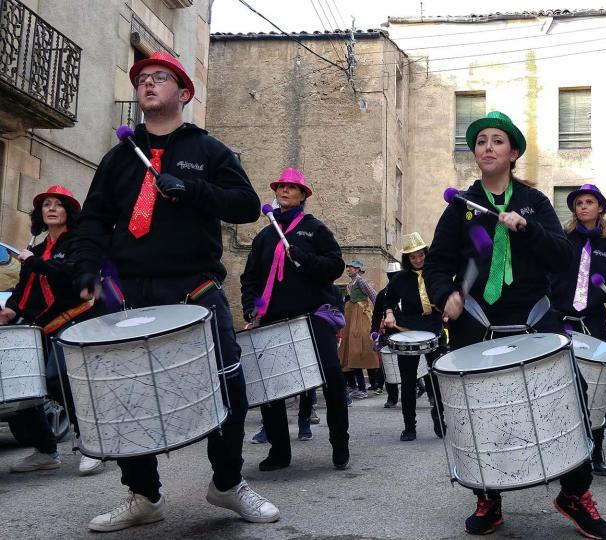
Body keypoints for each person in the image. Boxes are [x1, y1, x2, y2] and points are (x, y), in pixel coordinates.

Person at [71, 51, 278, 531]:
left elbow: (246, 205)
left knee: (228, 384)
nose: (148, 83)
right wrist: (84, 267)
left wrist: (192, 188)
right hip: (130, 292)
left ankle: (227, 484)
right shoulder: (119, 157)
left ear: (183, 93)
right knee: (128, 396)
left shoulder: (209, 151)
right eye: (142, 78)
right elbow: (95, 220)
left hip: (194, 287)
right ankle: (143, 495)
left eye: (159, 77)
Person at [425, 111, 606, 539]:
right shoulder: (460, 209)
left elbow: (561, 257)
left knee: (569, 398)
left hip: (534, 317)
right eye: (481, 141)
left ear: (513, 154)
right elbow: (436, 265)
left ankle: (574, 493)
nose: (487, 147)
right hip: (477, 322)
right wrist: (444, 294)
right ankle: (488, 497)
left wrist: (526, 230)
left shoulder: (535, 202)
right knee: (479, 413)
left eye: (497, 141)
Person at [239, 168, 351, 471]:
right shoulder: (264, 237)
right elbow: (253, 280)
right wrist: (255, 310)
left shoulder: (314, 230)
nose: (285, 191)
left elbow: (335, 266)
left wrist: (305, 257)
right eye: (281, 187)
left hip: (313, 314)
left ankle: (340, 443)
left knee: (332, 379)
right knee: (271, 388)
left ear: (303, 195)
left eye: (292, 188)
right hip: (275, 319)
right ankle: (279, 451)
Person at [0, 185, 103, 476]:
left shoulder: (78, 244)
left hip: (73, 320)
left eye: (58, 204)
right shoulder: (36, 248)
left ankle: (91, 444)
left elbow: (71, 274)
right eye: (46, 204)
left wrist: (35, 263)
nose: (52, 208)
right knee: (23, 386)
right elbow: (24, 289)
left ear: (68, 212)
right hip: (39, 326)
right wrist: (12, 309)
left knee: (56, 379)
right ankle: (45, 450)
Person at [550, 182, 606, 477]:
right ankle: (564, 450)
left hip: (593, 323)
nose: (583, 206)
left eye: (589, 202)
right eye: (579, 203)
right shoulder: (562, 238)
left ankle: (596, 448)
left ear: (600, 208)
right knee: (561, 387)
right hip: (560, 321)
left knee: (597, 387)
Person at [382, 232, 445, 441]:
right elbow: (387, 299)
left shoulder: (436, 273)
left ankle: (439, 418)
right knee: (408, 382)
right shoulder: (399, 279)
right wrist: (389, 314)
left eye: (420, 255)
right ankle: (409, 426)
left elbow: (447, 292)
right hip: (408, 331)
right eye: (413, 257)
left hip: (434, 328)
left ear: (426, 254)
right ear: (407, 259)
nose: (418, 260)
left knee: (436, 379)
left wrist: (443, 305)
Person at [338, 260, 380, 399]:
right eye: (347, 268)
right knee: (349, 349)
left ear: (357, 269)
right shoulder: (350, 284)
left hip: (360, 316)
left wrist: (379, 313)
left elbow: (374, 296)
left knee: (358, 348)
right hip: (351, 317)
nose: (348, 270)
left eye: (350, 268)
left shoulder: (361, 282)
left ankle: (364, 387)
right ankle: (354, 386)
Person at [371, 261, 403, 408]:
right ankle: (392, 397)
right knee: (389, 367)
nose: (394, 278)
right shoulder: (382, 294)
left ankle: (423, 389)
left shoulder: (408, 290)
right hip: (390, 335)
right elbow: (377, 314)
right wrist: (374, 330)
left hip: (408, 333)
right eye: (391, 275)